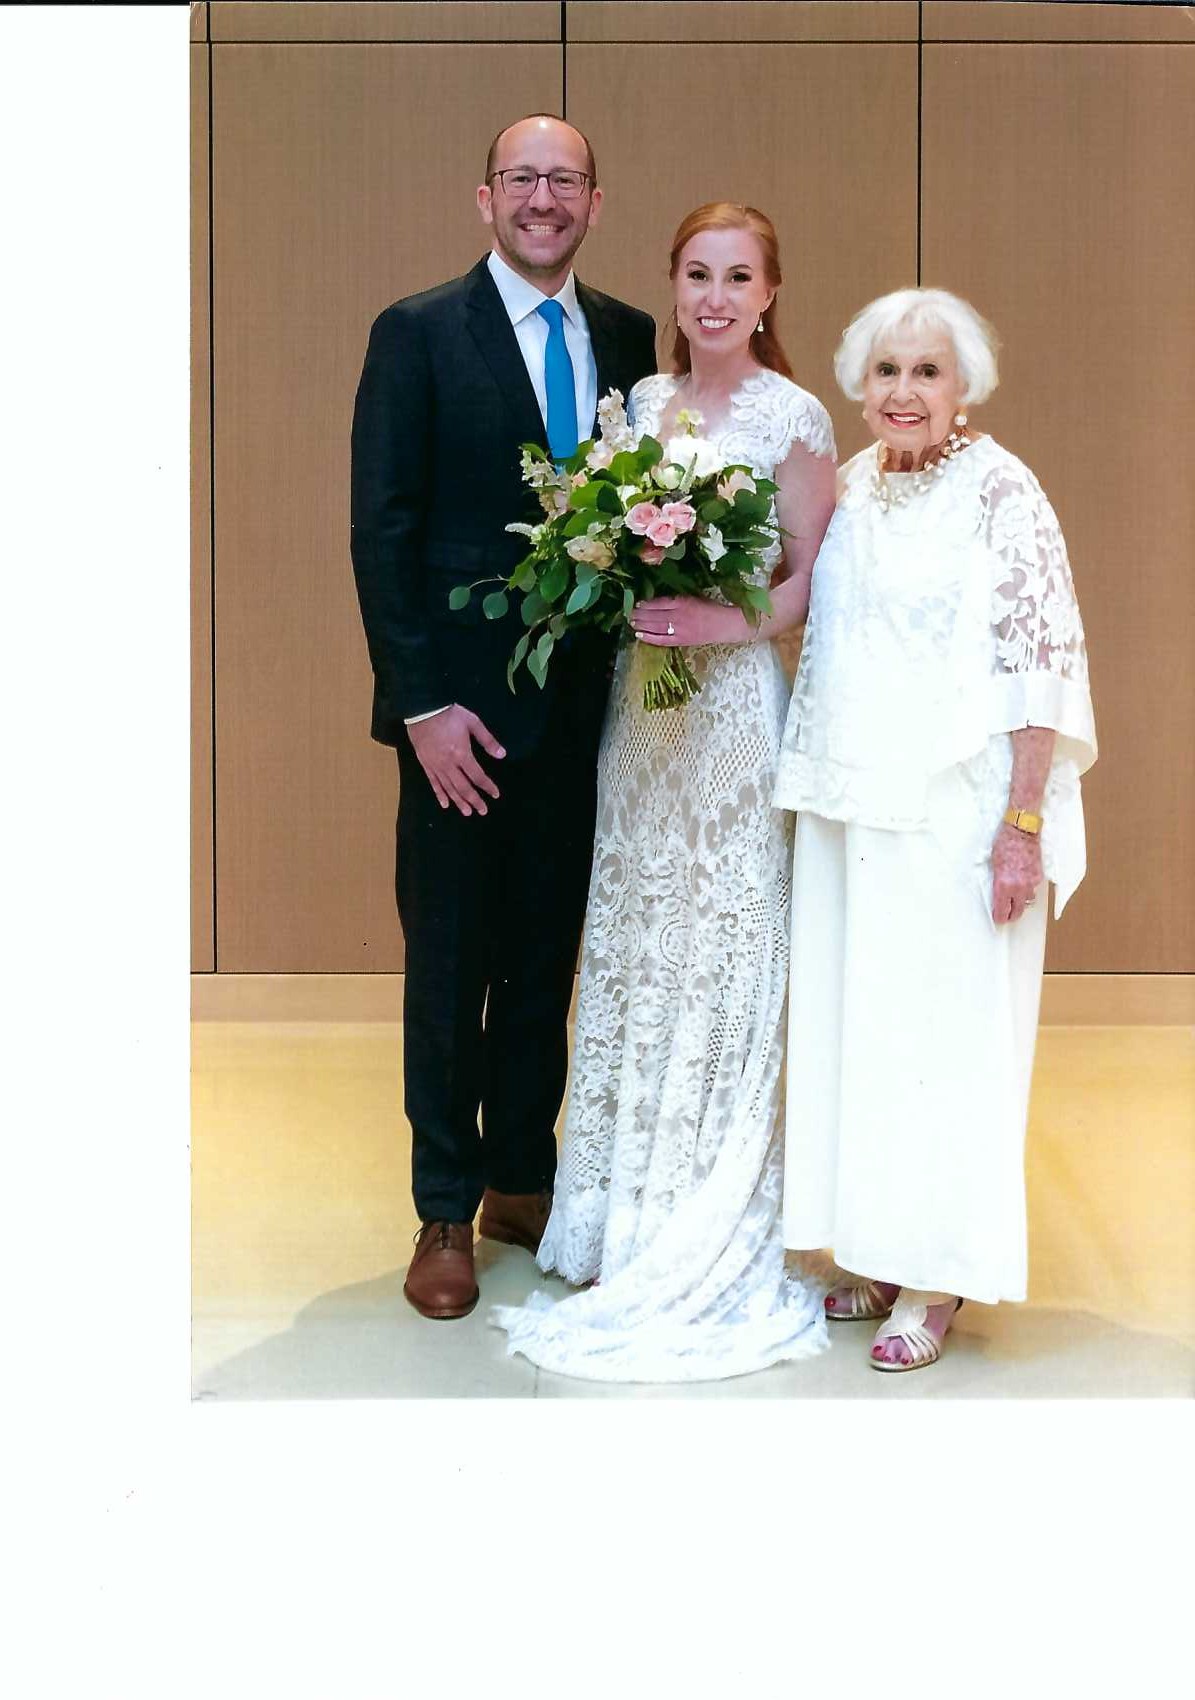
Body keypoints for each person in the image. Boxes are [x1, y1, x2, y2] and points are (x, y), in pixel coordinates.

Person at [492, 203, 839, 1381]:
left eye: (739, 276)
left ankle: (709, 1208)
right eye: (698, 274)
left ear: (770, 292)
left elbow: (809, 579)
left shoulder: (794, 416)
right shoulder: (639, 406)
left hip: (734, 712)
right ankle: (623, 1216)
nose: (715, 297)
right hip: (643, 713)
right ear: (674, 285)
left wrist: (724, 621)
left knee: (722, 942)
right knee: (642, 937)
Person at [348, 115, 656, 1320]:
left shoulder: (627, 335)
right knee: (451, 963)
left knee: (544, 957)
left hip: (584, 717)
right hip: (458, 725)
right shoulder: (418, 332)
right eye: (521, 178)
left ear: (594, 201)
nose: (543, 198)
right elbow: (383, 531)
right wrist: (421, 704)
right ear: (485, 198)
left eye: (564, 180)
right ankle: (443, 1201)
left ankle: (521, 1178)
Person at [773, 288, 1096, 1372]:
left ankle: (937, 1274)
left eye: (927, 372)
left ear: (963, 389)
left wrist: (1021, 824)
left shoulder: (1003, 490)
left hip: (957, 815)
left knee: (945, 1046)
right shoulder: (854, 484)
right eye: (886, 371)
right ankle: (876, 1251)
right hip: (854, 810)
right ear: (859, 385)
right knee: (868, 1039)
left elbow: (1041, 663)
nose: (904, 391)